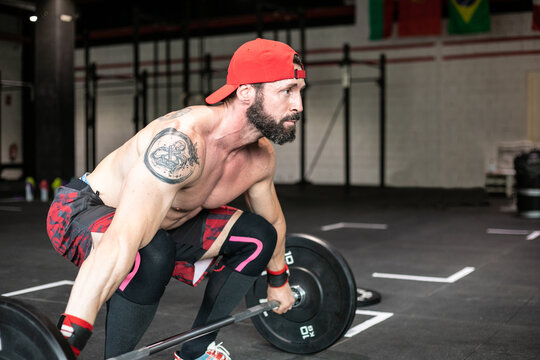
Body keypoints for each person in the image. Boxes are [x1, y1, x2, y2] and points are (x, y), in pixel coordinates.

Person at [46, 38, 306, 360]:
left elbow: (273, 222)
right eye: (287, 91)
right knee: (152, 252)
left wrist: (279, 279)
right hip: (83, 209)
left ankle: (196, 351)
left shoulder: (260, 158)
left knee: (258, 237)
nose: (298, 105)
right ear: (246, 92)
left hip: (163, 224)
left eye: (299, 91)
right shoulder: (181, 144)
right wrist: (69, 337)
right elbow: (122, 241)